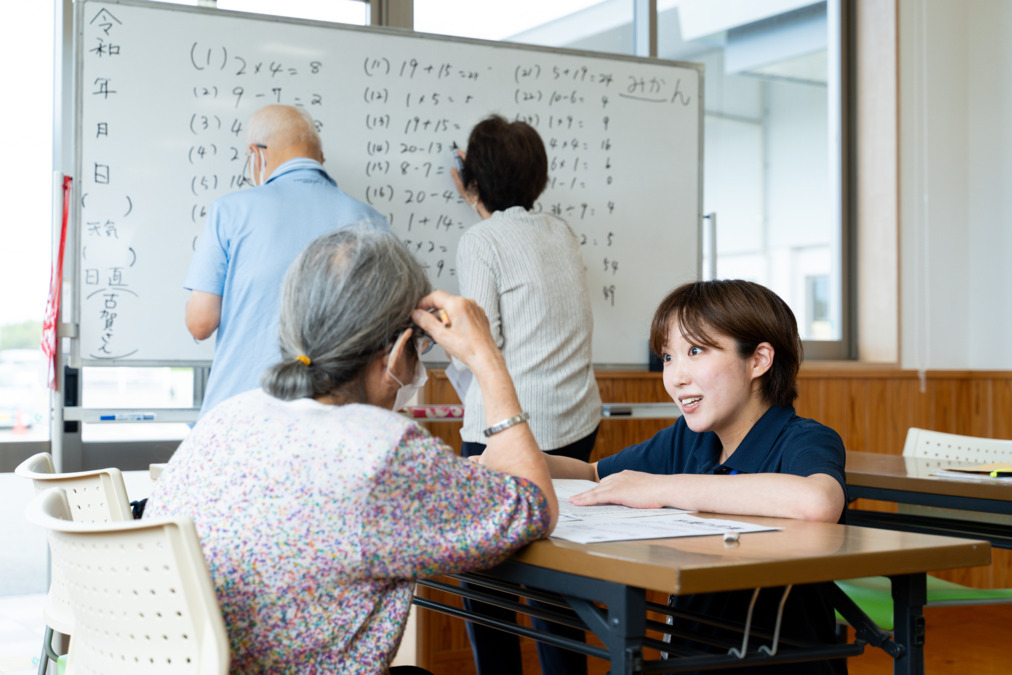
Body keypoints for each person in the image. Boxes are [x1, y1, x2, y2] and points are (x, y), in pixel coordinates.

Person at [145, 226, 558, 674]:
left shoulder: (224, 418)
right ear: (399, 351)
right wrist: (486, 357)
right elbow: (534, 504)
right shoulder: (380, 453)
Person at [541, 279, 847, 674]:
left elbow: (817, 502)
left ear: (758, 360)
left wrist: (661, 486)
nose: (676, 377)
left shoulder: (804, 438)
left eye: (696, 351)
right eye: (668, 357)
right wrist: (519, 460)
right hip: (693, 656)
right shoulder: (688, 440)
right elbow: (590, 472)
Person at [451, 114, 601, 675]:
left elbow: (480, 343)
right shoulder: (560, 231)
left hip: (508, 430)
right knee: (555, 580)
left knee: (487, 584)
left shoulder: (481, 240)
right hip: (577, 421)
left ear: (469, 178)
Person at [184, 104, 386, 418]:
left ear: (257, 154)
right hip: (337, 415)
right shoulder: (370, 221)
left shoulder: (231, 211)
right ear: (320, 159)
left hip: (241, 412)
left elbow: (200, 323)